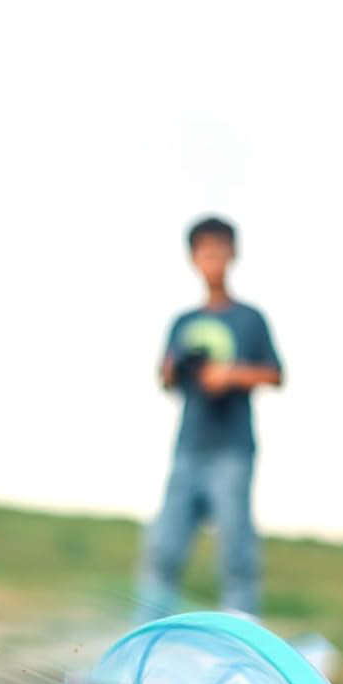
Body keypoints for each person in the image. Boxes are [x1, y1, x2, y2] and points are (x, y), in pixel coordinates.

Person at [137, 217, 284, 619]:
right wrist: (174, 367)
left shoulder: (249, 318)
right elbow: (166, 380)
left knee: (236, 554)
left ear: (232, 254)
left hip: (232, 450)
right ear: (193, 259)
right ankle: (146, 640)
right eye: (205, 253)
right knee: (163, 550)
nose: (212, 260)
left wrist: (230, 374)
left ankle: (243, 635)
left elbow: (274, 373)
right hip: (188, 447)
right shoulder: (182, 323)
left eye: (219, 251)